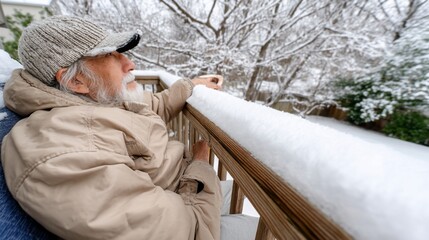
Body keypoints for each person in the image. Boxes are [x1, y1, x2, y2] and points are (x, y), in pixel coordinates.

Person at [1, 15, 222, 240]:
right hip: (195, 204)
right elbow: (189, 231)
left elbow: (151, 105)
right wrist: (201, 166)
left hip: (190, 186)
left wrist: (190, 86)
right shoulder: (65, 154)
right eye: (110, 55)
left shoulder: (92, 99)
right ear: (75, 81)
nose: (130, 63)